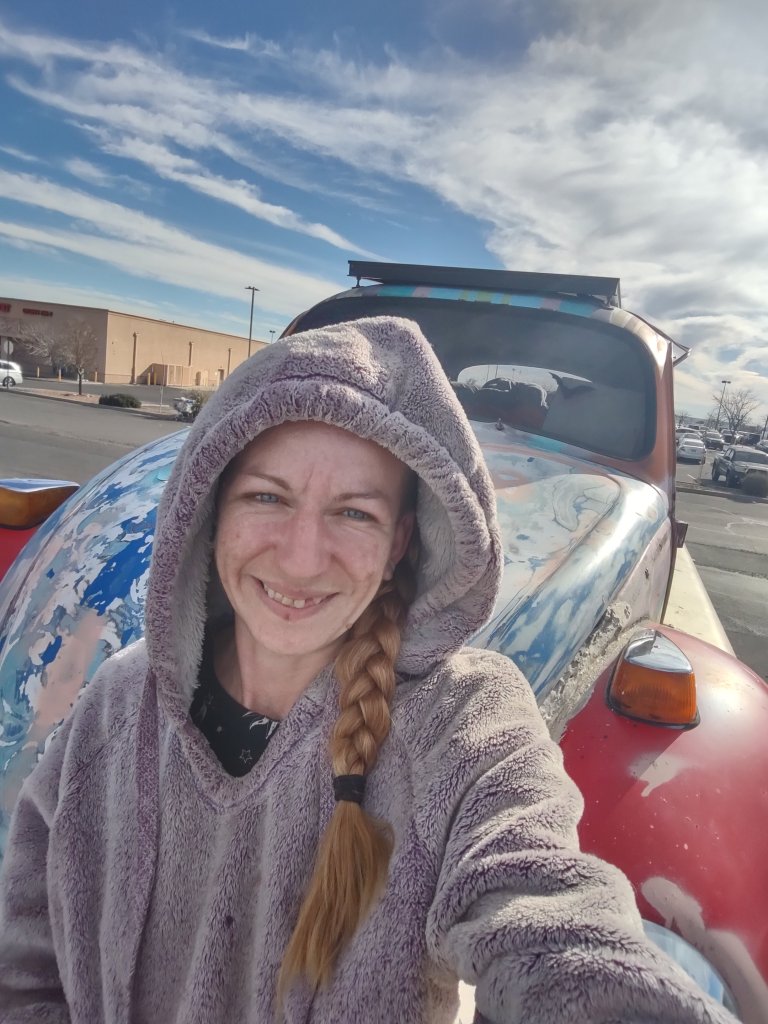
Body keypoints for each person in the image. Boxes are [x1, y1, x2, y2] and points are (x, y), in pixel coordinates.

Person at [0, 317, 735, 1023]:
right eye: (266, 496)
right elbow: (25, 961)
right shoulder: (120, 703)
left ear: (399, 543)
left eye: (354, 513)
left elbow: (547, 915)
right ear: (211, 511)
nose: (301, 560)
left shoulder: (459, 719)